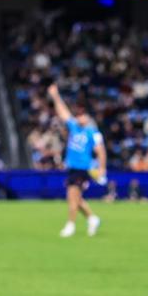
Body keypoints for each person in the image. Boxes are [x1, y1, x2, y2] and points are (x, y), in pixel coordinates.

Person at [48, 84, 106, 238]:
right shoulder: (74, 126)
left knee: (72, 196)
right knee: (76, 198)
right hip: (72, 167)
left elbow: (101, 151)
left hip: (82, 168)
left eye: (82, 115)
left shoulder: (92, 132)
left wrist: (102, 168)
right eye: (78, 114)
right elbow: (63, 112)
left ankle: (70, 225)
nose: (79, 117)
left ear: (88, 117)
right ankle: (92, 219)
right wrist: (55, 96)